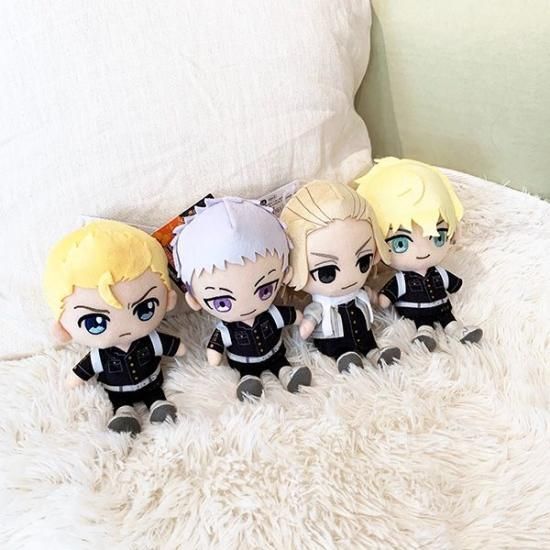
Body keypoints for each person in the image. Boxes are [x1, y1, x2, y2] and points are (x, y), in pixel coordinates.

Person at [43, 220, 186, 435]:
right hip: (117, 391)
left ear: (168, 300)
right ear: (63, 329)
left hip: (152, 382)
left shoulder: (151, 340)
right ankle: (124, 413)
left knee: (155, 395)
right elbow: (82, 371)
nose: (125, 328)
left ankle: (158, 403)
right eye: (95, 323)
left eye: (144, 309)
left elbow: (175, 347)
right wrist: (74, 379)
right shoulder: (100, 355)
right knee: (121, 403)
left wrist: (180, 348)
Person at [172, 197, 311, 401]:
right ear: (194, 300)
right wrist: (214, 353)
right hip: (242, 361)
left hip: (276, 353)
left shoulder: (272, 314)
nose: (246, 306)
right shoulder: (227, 329)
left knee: (280, 364)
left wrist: (302, 319)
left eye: (264, 290)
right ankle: (248, 380)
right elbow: (216, 346)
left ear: (285, 275)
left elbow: (293, 316)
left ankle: (286, 373)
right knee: (248, 373)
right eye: (222, 303)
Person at [356, 157, 483, 351]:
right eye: (400, 243)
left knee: (450, 321)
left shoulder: (438, 272)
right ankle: (424, 333)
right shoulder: (400, 280)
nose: (423, 251)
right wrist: (375, 297)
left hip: (443, 307)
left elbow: (456, 284)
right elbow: (384, 300)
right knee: (424, 325)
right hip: (416, 313)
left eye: (438, 237)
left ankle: (457, 330)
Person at [280, 181, 401, 373]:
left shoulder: (360, 291)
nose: (350, 277)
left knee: (368, 342)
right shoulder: (321, 305)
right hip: (332, 340)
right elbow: (311, 317)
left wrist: (376, 297)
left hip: (364, 331)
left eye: (363, 262)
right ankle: (344, 356)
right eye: (327, 273)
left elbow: (373, 296)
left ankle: (375, 353)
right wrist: (307, 325)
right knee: (341, 349)